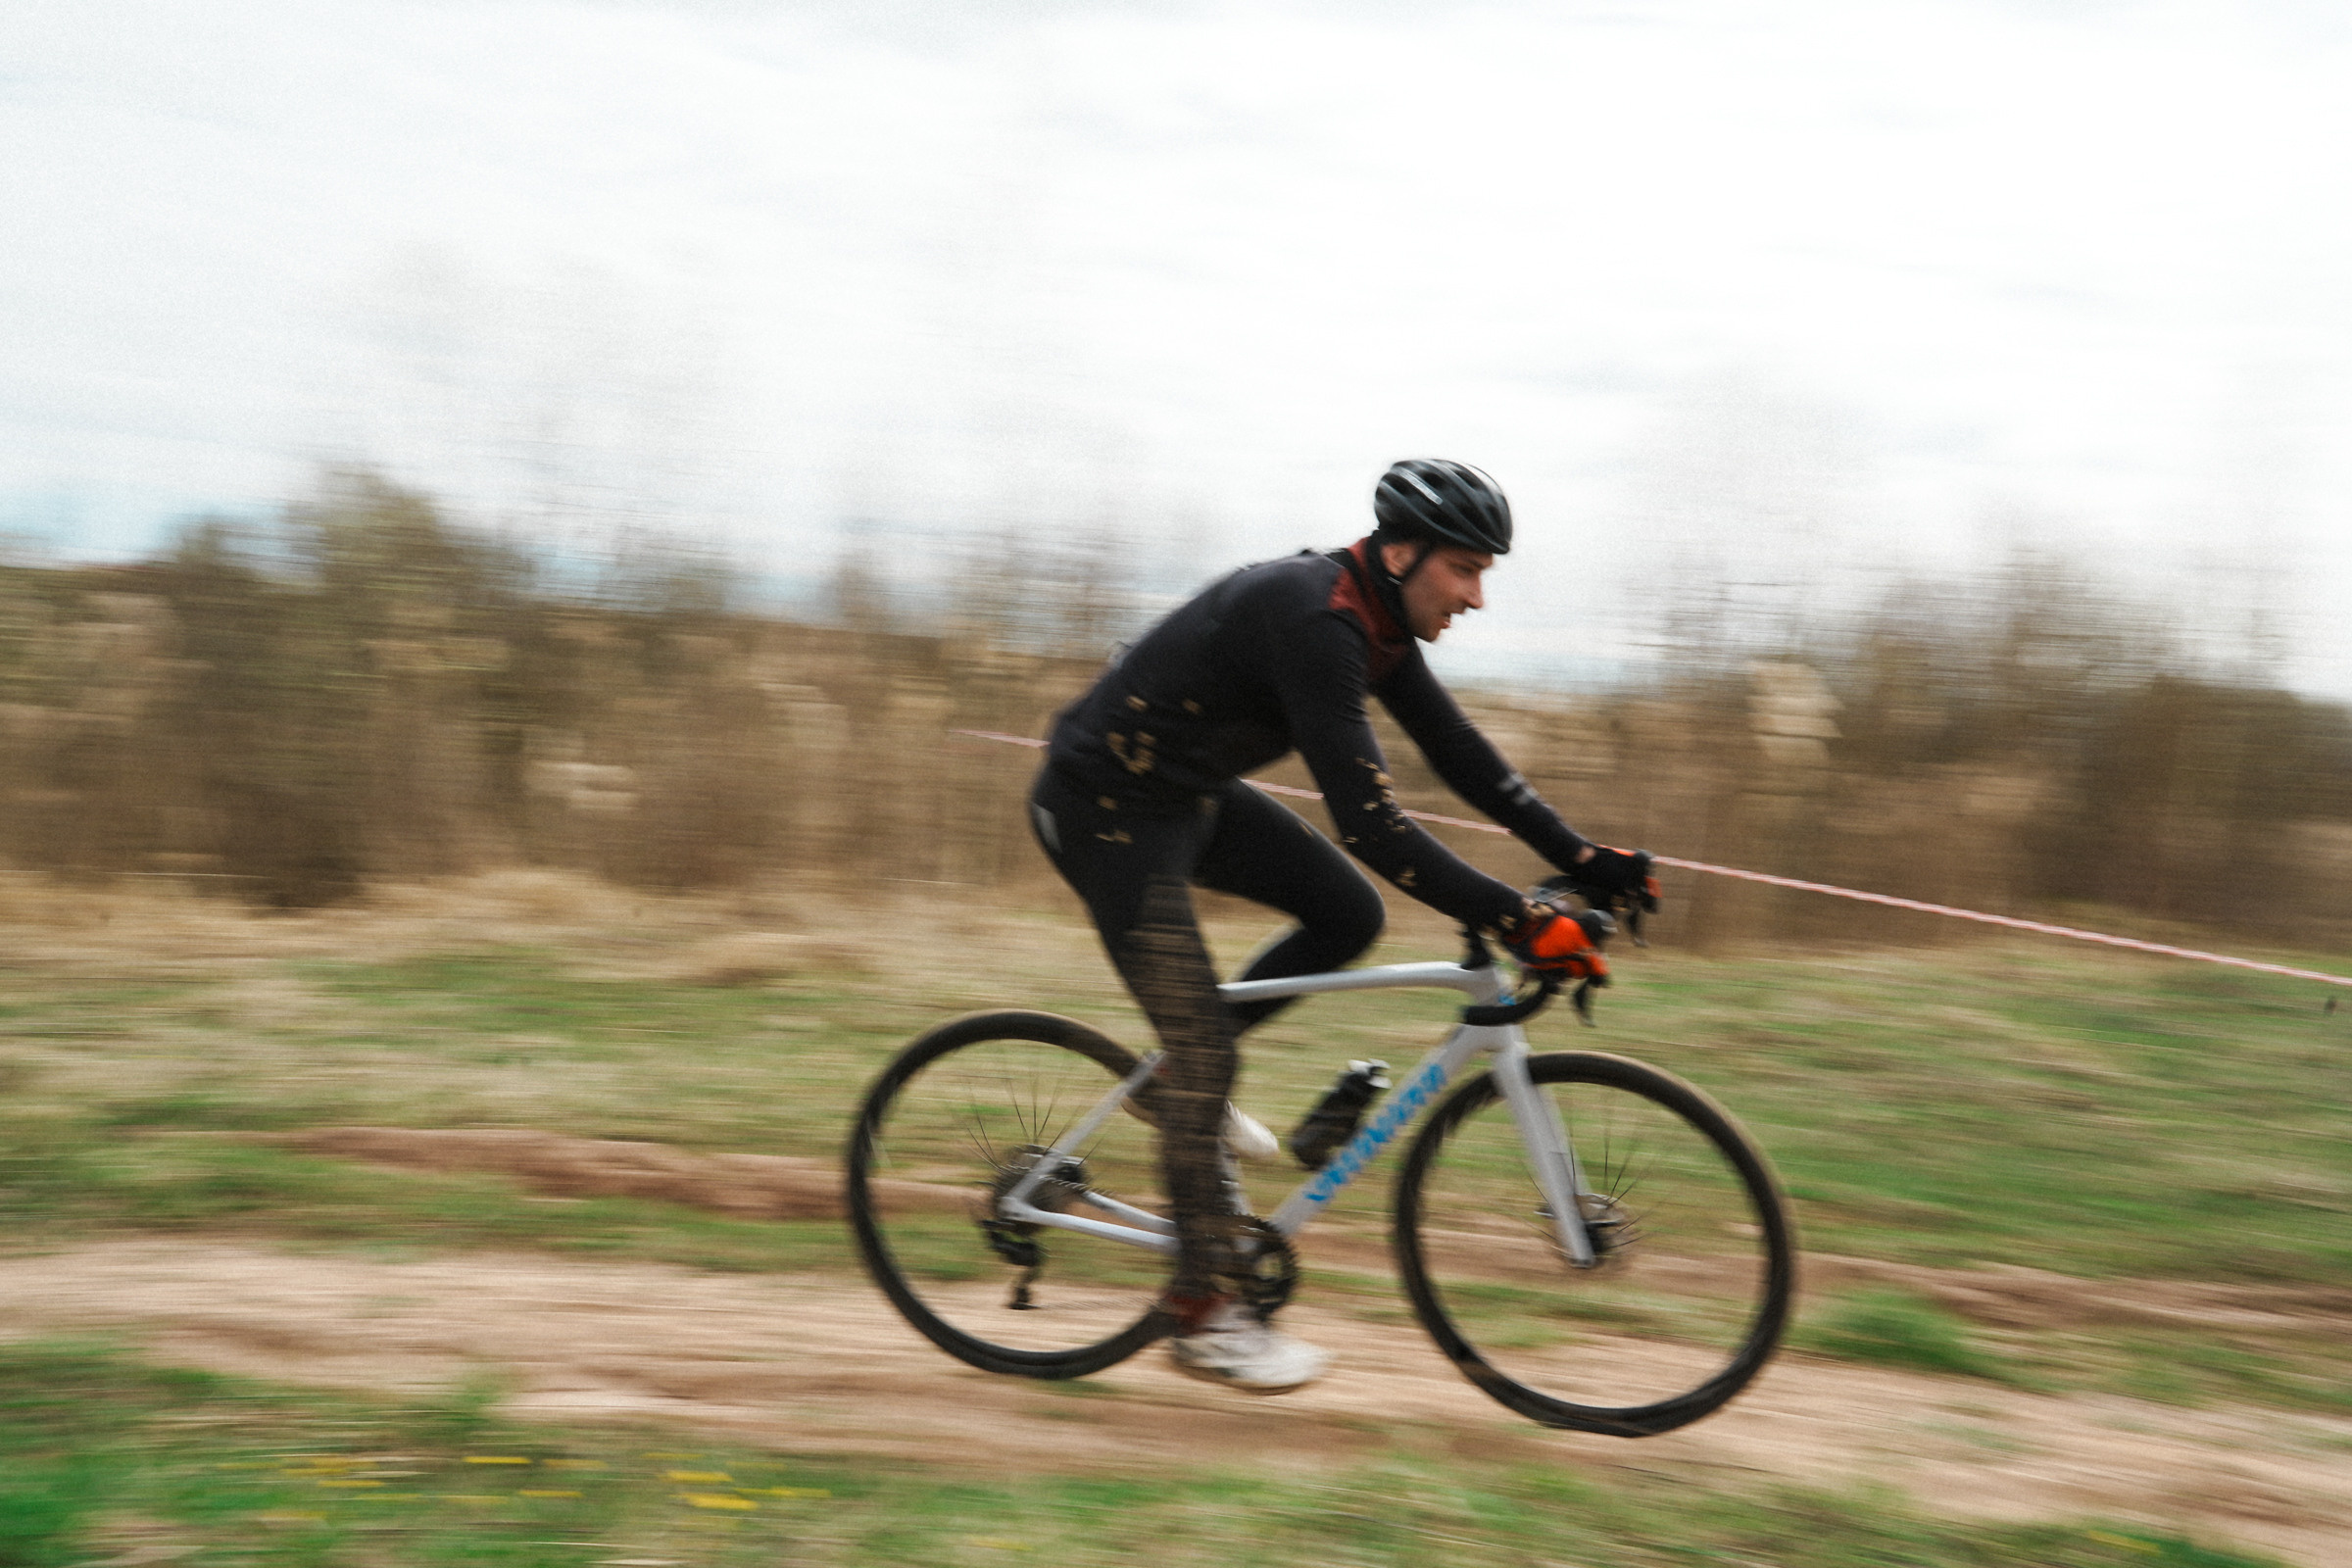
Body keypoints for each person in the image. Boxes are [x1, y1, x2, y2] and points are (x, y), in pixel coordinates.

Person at [1029, 459, 1651, 1395]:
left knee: (1344, 913)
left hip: (1183, 797)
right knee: (1208, 1057)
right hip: (1102, 809)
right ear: (1401, 553)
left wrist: (1584, 855)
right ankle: (1204, 1314)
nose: (1478, 596)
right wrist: (1516, 919)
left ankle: (1171, 1087)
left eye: (1487, 573)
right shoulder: (1319, 622)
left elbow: (1461, 758)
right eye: (1465, 571)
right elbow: (1373, 826)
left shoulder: (1378, 619)